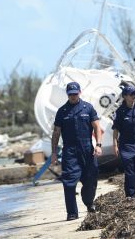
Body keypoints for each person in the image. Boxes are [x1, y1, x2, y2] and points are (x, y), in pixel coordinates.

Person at [51, 81, 103, 221]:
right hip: (70, 150)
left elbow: (97, 127)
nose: (73, 96)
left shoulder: (88, 108)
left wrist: (98, 145)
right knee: (68, 181)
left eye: (75, 94)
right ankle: (72, 213)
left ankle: (88, 202)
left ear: (79, 92)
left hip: (87, 149)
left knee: (91, 178)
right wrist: (54, 152)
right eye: (70, 94)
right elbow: (56, 133)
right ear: (67, 95)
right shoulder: (62, 111)